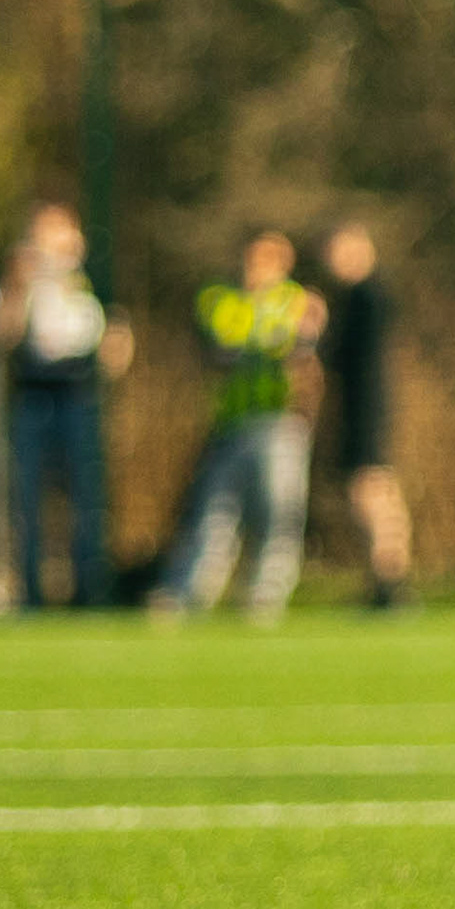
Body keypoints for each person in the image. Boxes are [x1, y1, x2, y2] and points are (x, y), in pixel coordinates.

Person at [155, 228, 324, 623]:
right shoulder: (219, 298)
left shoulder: (295, 300)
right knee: (214, 511)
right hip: (231, 421)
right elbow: (221, 351)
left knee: (279, 513)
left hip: (280, 421)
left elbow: (305, 358)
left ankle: (265, 598)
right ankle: (189, 594)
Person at [0, 202, 128, 609]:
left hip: (79, 395)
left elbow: (118, 347)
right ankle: (31, 596)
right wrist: (18, 285)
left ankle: (90, 593)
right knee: (28, 500)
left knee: (86, 498)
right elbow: (4, 334)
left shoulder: (95, 281)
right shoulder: (23, 278)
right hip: (33, 396)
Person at [320, 221, 413, 609]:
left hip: (366, 411)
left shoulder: (367, 298)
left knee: (370, 493)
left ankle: (388, 582)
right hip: (364, 409)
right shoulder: (363, 298)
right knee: (379, 492)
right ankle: (389, 580)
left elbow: (341, 357)